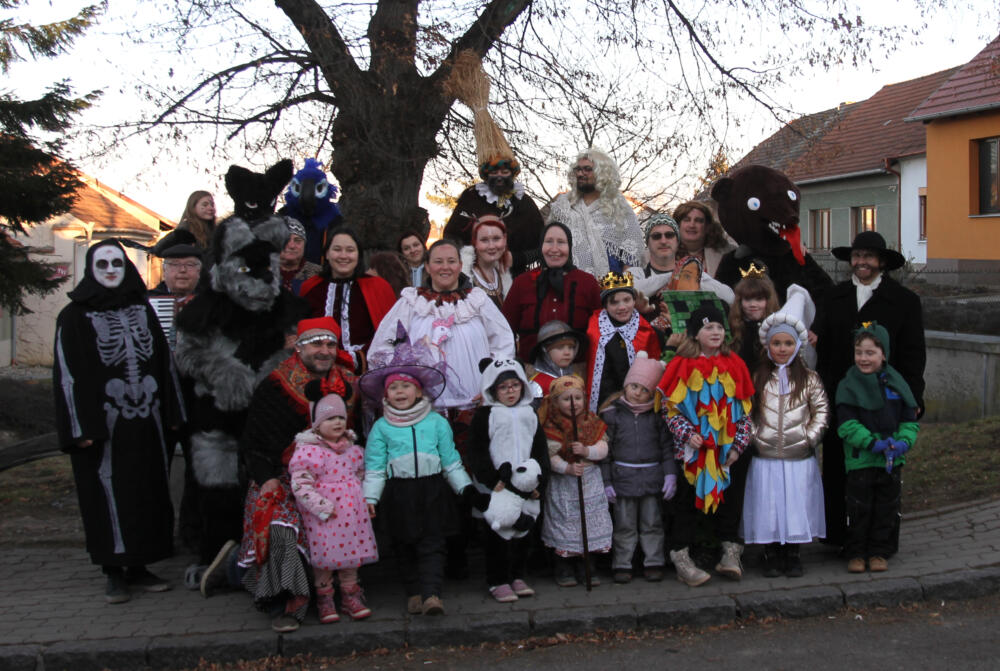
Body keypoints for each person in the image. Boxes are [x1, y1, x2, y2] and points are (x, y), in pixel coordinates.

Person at [199, 317, 359, 633]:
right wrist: (267, 479)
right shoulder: (275, 385)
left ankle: (238, 566)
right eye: (316, 344)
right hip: (282, 474)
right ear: (299, 347)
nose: (324, 350)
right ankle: (288, 602)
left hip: (334, 476)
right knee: (283, 526)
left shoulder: (350, 385)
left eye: (330, 344)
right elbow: (254, 442)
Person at [53, 239, 186, 604]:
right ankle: (113, 570)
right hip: (103, 426)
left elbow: (164, 363)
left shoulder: (142, 309)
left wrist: (174, 412)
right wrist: (80, 428)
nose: (111, 270)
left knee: (147, 490)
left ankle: (140, 565)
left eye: (117, 263)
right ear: (90, 270)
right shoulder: (74, 316)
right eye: (103, 264)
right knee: (107, 491)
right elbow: (67, 375)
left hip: (147, 423)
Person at [813, 231, 926, 547]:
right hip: (841, 397)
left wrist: (913, 396)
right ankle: (838, 536)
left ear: (882, 262)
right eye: (857, 256)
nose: (861, 262)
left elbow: (914, 355)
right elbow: (822, 348)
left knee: (880, 472)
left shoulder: (904, 301)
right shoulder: (834, 297)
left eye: (868, 256)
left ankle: (880, 542)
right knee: (837, 466)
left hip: (885, 400)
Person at [360, 357, 474, 616]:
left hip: (432, 490)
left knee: (433, 542)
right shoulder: (381, 427)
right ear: (385, 395)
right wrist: (371, 498)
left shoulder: (436, 423)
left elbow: (450, 460)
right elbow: (375, 467)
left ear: (419, 391)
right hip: (399, 493)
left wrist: (464, 488)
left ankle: (432, 593)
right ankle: (413, 591)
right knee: (404, 542)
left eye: (406, 386)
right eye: (393, 387)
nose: (400, 392)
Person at [657, 305, 754, 586]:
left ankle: (730, 552)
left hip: (727, 450)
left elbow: (745, 411)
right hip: (692, 450)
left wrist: (737, 446)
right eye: (708, 327)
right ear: (695, 334)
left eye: (720, 327)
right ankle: (682, 557)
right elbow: (670, 409)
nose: (715, 332)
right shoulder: (681, 364)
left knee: (730, 499)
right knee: (686, 502)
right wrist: (688, 435)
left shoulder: (735, 364)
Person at [742, 286, 829, 577]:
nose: (782, 349)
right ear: (768, 346)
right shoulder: (758, 377)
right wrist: (755, 436)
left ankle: (792, 552)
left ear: (797, 346)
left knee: (795, 503)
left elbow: (821, 411)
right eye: (777, 343)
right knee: (769, 504)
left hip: (797, 455)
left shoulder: (809, 379)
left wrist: (809, 438)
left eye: (788, 343)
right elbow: (747, 410)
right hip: (765, 455)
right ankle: (770, 551)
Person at [835, 322, 919, 574]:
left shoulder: (897, 385)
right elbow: (847, 424)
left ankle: (879, 552)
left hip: (891, 460)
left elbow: (909, 420)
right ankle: (856, 552)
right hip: (861, 460)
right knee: (858, 509)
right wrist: (871, 442)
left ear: (884, 354)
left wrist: (903, 442)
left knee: (886, 508)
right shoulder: (848, 385)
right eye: (859, 352)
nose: (863, 358)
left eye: (870, 353)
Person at [289, 390, 377, 623]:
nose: (337, 422)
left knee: (351, 557)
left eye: (340, 417)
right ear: (317, 425)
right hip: (325, 517)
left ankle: (350, 596)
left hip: (352, 516)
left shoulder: (353, 451)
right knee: (325, 559)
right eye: (329, 418)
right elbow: (300, 485)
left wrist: (366, 499)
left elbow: (362, 476)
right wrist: (321, 506)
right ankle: (325, 600)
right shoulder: (309, 452)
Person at [467, 358, 550, 603]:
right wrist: (490, 479)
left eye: (514, 385)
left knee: (523, 532)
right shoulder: (486, 415)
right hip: (499, 486)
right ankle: (497, 580)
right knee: (498, 534)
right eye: (503, 387)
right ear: (492, 390)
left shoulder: (529, 414)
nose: (510, 391)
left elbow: (540, 449)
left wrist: (540, 482)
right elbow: (477, 450)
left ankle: (517, 575)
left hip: (526, 485)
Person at [599, 352, 675, 583]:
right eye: (634, 386)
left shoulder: (657, 416)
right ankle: (623, 563)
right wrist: (606, 482)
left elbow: (667, 448)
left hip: (652, 478)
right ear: (626, 385)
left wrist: (670, 474)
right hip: (623, 479)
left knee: (652, 523)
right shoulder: (611, 415)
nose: (638, 393)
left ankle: (653, 561)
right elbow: (605, 453)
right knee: (624, 525)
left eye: (645, 390)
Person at [539, 375, 613, 587]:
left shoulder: (592, 421)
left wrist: (587, 451)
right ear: (555, 402)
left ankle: (587, 565)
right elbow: (549, 456)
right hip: (565, 482)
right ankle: (564, 566)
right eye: (566, 399)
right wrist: (566, 467)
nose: (573, 404)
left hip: (589, 479)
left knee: (589, 523)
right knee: (566, 522)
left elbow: (604, 448)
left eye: (578, 398)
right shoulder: (551, 425)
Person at [300, 226, 397, 370]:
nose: (343, 256)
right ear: (327, 254)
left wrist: (358, 359)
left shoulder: (379, 287)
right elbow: (302, 333)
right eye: (337, 249)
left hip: (366, 368)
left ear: (358, 255)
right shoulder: (310, 288)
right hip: (317, 368)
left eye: (350, 250)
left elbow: (389, 333)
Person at [502, 222, 602, 361]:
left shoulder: (587, 282)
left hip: (578, 370)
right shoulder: (522, 283)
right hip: (532, 369)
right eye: (549, 241)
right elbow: (505, 330)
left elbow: (600, 330)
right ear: (541, 246)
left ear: (569, 246)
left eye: (561, 242)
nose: (554, 249)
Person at [547, 148, 645, 277]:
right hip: (566, 281)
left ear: (602, 173)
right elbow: (548, 244)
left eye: (587, 169)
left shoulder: (619, 207)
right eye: (578, 169)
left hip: (609, 284)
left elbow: (632, 255)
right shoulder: (563, 205)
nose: (580, 174)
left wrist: (625, 286)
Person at [444, 154, 544, 275]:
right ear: (487, 175)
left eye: (505, 172)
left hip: (514, 276)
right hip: (473, 274)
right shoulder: (471, 197)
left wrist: (516, 258)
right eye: (494, 172)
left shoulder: (524, 203)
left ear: (512, 174)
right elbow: (451, 237)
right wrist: (470, 258)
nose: (499, 177)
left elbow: (542, 246)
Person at [585, 271, 660, 412]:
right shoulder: (592, 327)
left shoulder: (645, 331)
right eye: (614, 302)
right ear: (605, 305)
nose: (622, 307)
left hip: (635, 404)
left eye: (627, 300)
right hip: (601, 402)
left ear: (634, 301)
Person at [727, 264, 781, 373]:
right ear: (740, 302)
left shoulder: (778, 328)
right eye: (747, 299)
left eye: (759, 299)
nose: (753, 304)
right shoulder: (731, 328)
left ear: (768, 301)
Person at [461, 214, 513, 308]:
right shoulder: (462, 278)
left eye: (496, 239)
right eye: (484, 240)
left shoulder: (504, 274)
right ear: (475, 242)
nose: (491, 246)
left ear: (504, 240)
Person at [672, 201, 735, 278]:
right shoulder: (663, 254)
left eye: (698, 220)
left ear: (707, 227)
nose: (692, 225)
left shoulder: (728, 253)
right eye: (687, 220)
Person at [527, 320, 586, 398]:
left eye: (571, 347)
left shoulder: (577, 379)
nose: (567, 352)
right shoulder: (538, 383)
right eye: (560, 347)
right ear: (545, 351)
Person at [279, 218, 322, 295]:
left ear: (304, 245)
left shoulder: (319, 274)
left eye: (297, 240)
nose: (291, 246)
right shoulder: (262, 274)